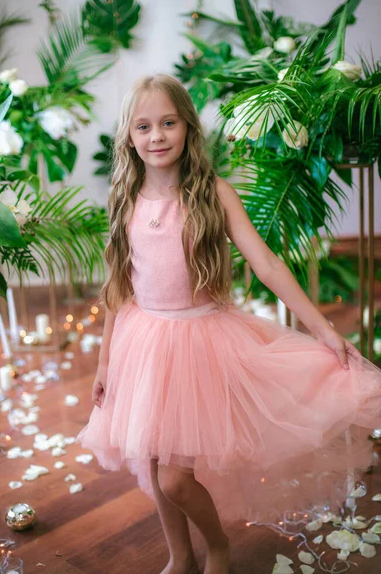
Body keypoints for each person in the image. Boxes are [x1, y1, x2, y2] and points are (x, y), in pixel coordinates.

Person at [76, 73, 381, 574]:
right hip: (142, 342)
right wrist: (105, 361)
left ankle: (216, 544)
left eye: (168, 123)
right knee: (153, 469)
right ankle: (180, 555)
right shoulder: (124, 198)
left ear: (187, 126)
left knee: (176, 478)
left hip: (199, 344)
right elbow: (119, 287)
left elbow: (267, 265)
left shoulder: (213, 194)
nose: (157, 137)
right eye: (144, 127)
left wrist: (323, 329)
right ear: (129, 138)